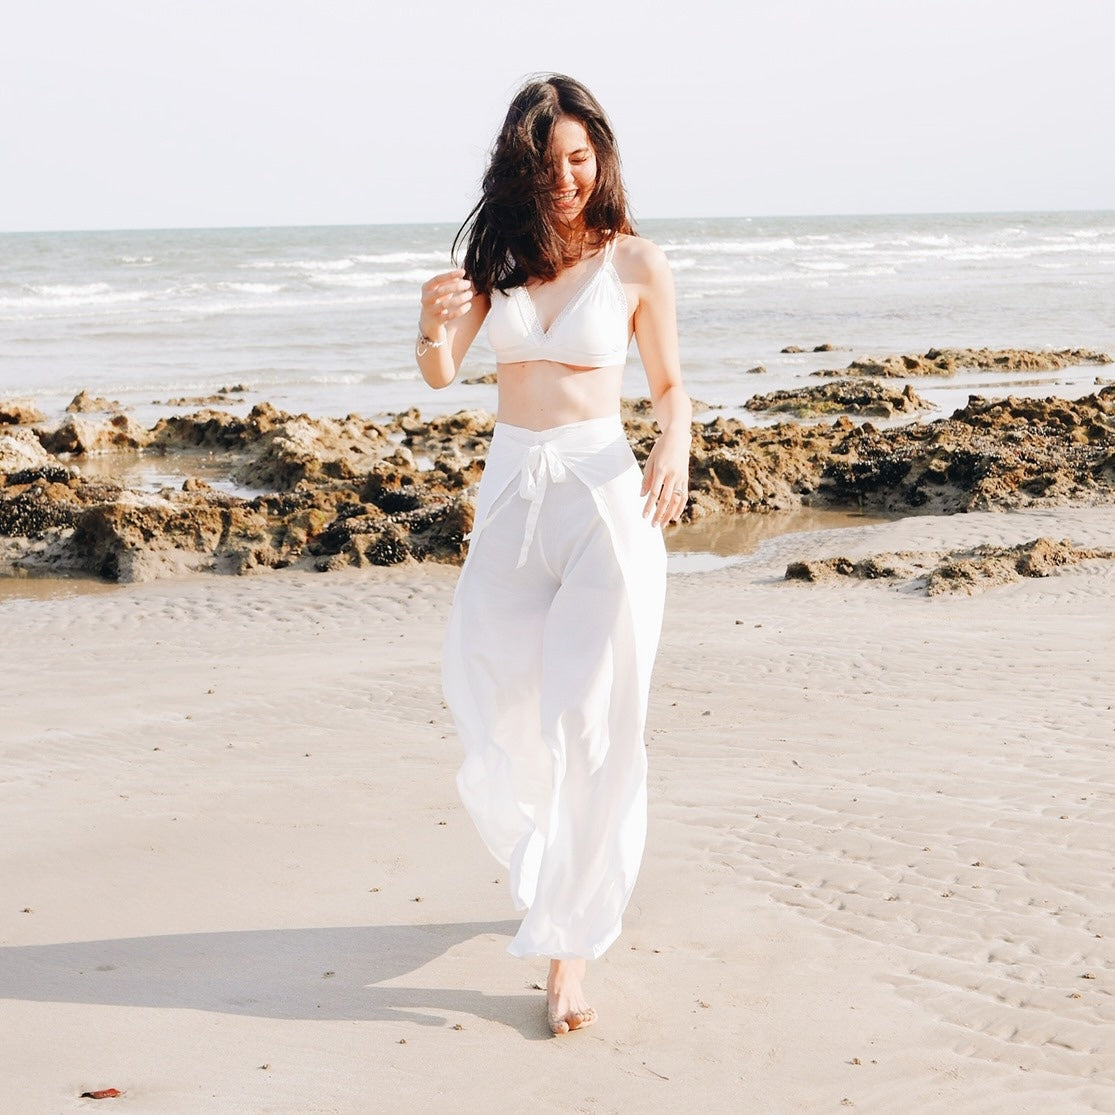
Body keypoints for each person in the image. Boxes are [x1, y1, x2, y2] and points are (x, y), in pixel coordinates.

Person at [416, 74, 691, 1036]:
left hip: (602, 500)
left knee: (591, 722)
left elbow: (670, 387)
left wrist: (675, 442)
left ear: (600, 158)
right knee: (492, 695)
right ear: (521, 169)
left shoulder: (636, 264)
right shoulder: (502, 263)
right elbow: (444, 371)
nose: (569, 177)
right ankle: (554, 866)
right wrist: (428, 318)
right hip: (510, 497)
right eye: (549, 162)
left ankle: (566, 957)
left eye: (581, 158)